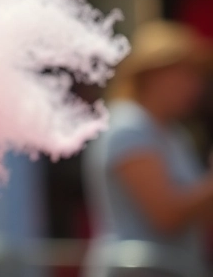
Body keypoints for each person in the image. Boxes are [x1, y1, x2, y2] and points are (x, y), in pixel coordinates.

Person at [84, 20, 213, 276]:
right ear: (153, 74)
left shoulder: (176, 134)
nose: (195, 87)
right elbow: (165, 216)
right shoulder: (129, 126)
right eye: (186, 75)